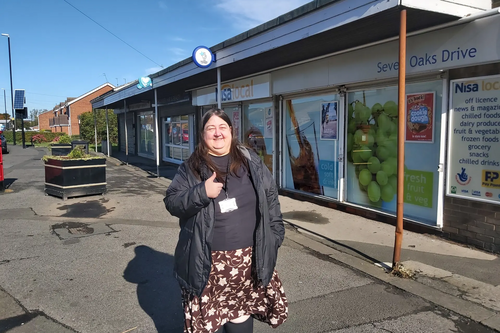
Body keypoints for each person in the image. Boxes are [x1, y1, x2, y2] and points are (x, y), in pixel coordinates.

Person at [164, 109, 288, 333]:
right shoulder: (190, 168)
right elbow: (173, 202)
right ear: (203, 135)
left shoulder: (251, 162)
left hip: (248, 265)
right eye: (211, 128)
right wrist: (202, 192)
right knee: (208, 324)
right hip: (207, 268)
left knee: (241, 320)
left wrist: (275, 236)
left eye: (222, 127)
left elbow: (271, 199)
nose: (217, 133)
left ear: (231, 131)